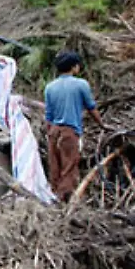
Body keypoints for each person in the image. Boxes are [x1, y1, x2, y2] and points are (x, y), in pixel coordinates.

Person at [44, 51, 110, 202]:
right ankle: (66, 201)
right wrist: (102, 125)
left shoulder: (50, 87)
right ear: (74, 67)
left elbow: (48, 115)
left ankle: (54, 196)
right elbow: (91, 107)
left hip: (53, 130)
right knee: (69, 167)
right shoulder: (81, 84)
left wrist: (50, 133)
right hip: (69, 131)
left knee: (55, 166)